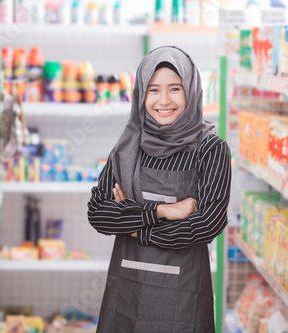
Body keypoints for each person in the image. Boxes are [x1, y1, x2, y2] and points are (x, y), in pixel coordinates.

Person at [87, 46, 231, 333]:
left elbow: (207, 225)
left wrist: (136, 225)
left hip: (183, 295)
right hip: (127, 293)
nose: (164, 100)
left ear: (191, 90)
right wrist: (164, 211)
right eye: (153, 90)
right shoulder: (128, 147)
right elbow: (99, 214)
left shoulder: (211, 150)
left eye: (175, 88)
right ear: (141, 94)